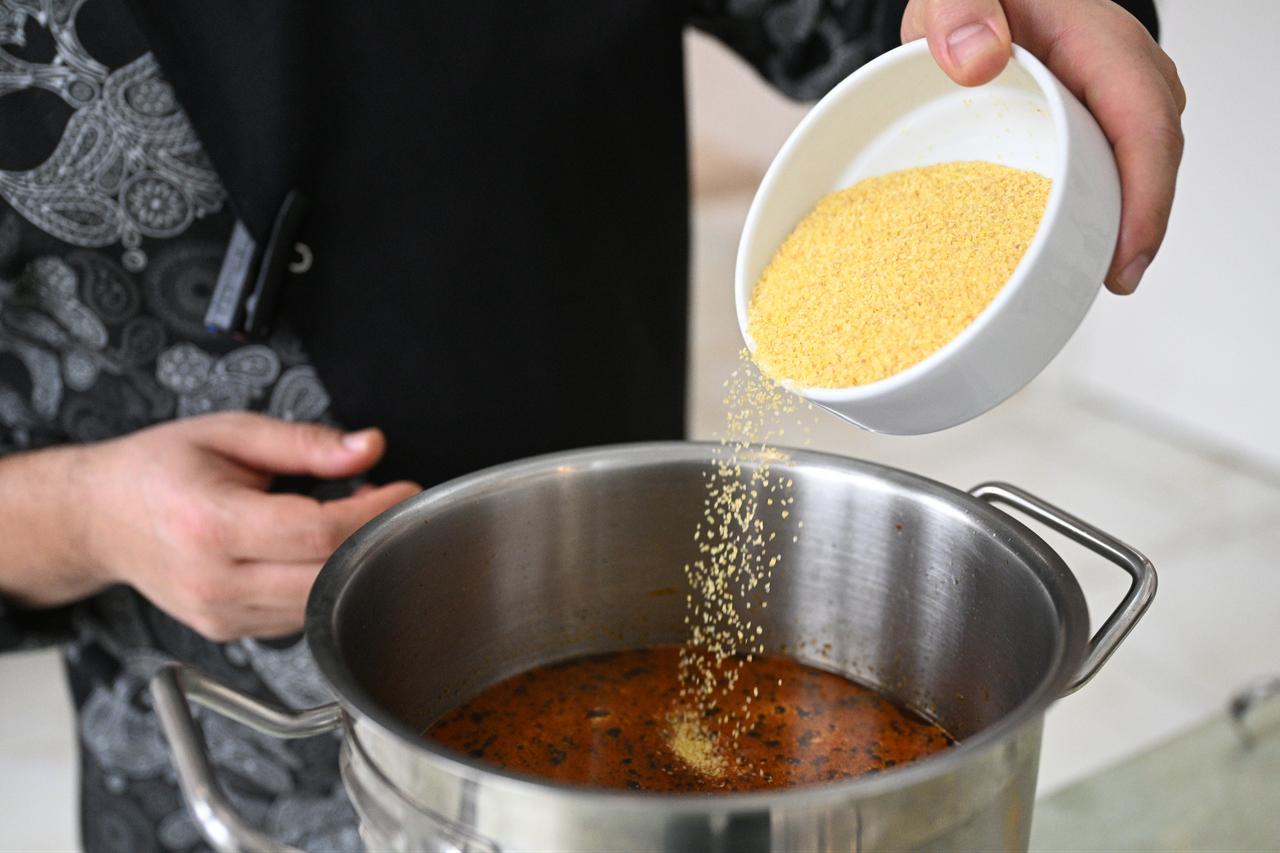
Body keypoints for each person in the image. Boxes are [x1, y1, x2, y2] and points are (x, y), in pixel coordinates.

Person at [0, 0, 1182, 849]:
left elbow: (906, 19)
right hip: (206, 750)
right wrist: (78, 515)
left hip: (628, 571)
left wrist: (1021, 19)